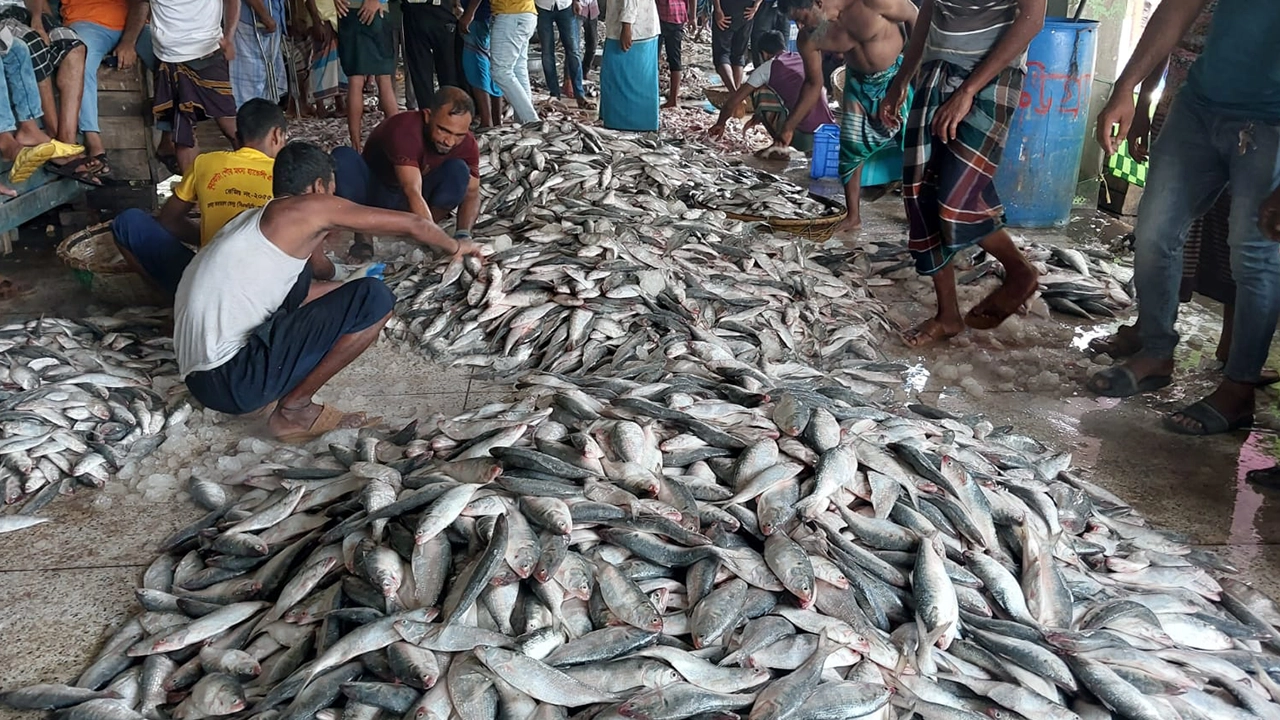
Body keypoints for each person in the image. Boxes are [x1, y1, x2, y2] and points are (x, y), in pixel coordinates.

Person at [175, 141, 482, 442]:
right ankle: (294, 410)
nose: (334, 199)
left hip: (203, 380)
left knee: (311, 282)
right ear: (318, 187)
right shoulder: (308, 207)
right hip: (234, 379)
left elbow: (298, 294)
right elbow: (414, 224)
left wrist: (346, 286)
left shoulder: (251, 220)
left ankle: (267, 395)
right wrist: (457, 246)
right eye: (332, 191)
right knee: (374, 299)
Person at [1087, 0, 1280, 436]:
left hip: (1273, 123)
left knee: (1255, 256)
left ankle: (1238, 389)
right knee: (1155, 230)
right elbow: (1176, 8)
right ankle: (1156, 351)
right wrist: (1126, 88)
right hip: (1200, 105)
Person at [877, 0, 1043, 347]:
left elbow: (1031, 20)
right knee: (920, 193)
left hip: (992, 77)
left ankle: (1019, 271)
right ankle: (947, 315)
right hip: (935, 71)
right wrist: (902, 78)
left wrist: (968, 90)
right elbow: (928, 15)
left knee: (956, 197)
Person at [112, 99, 286, 296]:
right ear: (277, 135)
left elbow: (168, 220)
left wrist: (212, 236)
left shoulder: (204, 162)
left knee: (127, 222)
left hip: (206, 283)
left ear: (237, 137)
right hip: (262, 288)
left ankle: (172, 301)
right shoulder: (286, 176)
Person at [783, 0, 915, 233]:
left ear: (817, 3)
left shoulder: (872, 3)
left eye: (802, 18)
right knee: (850, 152)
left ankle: (917, 215)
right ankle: (853, 216)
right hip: (858, 85)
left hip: (896, 78)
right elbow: (813, 84)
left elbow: (916, 17)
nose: (800, 26)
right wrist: (789, 126)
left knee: (915, 149)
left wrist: (911, 76)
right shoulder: (812, 37)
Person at [332, 86, 481, 258]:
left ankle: (422, 230)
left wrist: (463, 236)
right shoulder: (404, 129)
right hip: (374, 196)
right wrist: (444, 247)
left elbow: (472, 193)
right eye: (443, 130)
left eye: (459, 135)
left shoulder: (467, 144)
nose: (449, 141)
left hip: (411, 204)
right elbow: (412, 190)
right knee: (342, 157)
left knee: (459, 171)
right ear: (427, 116)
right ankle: (364, 237)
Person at [0, 0, 91, 180]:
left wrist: (37, 20)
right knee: (32, 44)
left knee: (74, 46)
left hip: (23, 12)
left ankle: (62, 139)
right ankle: (50, 142)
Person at [149, 0, 240, 174]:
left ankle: (260, 183)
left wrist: (229, 37)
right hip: (169, 58)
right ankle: (192, 196)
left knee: (230, 124)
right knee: (182, 132)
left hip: (207, 54)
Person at [61, 0, 149, 179]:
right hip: (86, 21)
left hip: (136, 25)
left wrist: (128, 42)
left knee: (171, 58)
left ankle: (170, 137)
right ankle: (94, 142)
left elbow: (142, 3)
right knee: (79, 61)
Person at [707, 30, 833, 152]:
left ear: (764, 54)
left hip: (801, 138)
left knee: (759, 91)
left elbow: (733, 101)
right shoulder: (802, 58)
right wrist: (759, 115)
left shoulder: (767, 67)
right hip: (827, 134)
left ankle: (779, 145)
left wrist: (720, 123)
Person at [336, 0, 398, 151]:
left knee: (355, 81)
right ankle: (399, 140)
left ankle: (356, 145)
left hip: (348, 9)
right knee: (384, 80)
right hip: (376, 10)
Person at [473, 0, 537, 124]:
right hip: (526, 14)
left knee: (500, 71)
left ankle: (531, 120)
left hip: (510, 16)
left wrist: (469, 13)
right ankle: (524, 122)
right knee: (518, 69)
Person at [599, 0, 658, 131]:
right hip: (643, 25)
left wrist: (627, 27)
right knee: (640, 80)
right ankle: (639, 121)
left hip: (633, 30)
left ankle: (627, 123)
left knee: (618, 78)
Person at [402, 0, 460, 110]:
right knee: (424, 71)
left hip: (439, 13)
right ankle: (430, 115)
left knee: (448, 71)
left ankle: (448, 113)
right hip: (417, 13)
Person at [230, 0, 287, 106]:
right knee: (249, 77)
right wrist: (264, 15)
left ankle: (262, 115)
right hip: (253, 21)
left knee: (267, 74)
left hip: (273, 17)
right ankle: (247, 115)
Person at [536, 0, 590, 109]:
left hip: (565, 6)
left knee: (574, 51)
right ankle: (554, 94)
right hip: (542, 7)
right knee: (547, 53)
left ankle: (579, 94)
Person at [459, 0, 502, 127]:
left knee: (476, 67)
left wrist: (469, 14)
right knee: (492, 67)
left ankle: (486, 121)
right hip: (490, 16)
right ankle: (496, 120)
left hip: (478, 18)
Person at [710, 0, 755, 91]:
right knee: (738, 55)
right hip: (747, 10)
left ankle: (733, 92)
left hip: (726, 8)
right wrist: (756, 6)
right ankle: (736, 95)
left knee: (722, 54)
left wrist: (717, 9)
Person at [655, 0, 692, 109]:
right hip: (677, 15)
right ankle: (672, 99)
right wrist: (693, 16)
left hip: (660, 16)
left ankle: (654, 96)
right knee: (674, 59)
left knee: (653, 59)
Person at [748, 0, 786, 66]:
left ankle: (783, 66)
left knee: (782, 39)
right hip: (765, 3)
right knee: (760, 38)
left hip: (785, 4)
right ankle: (760, 68)